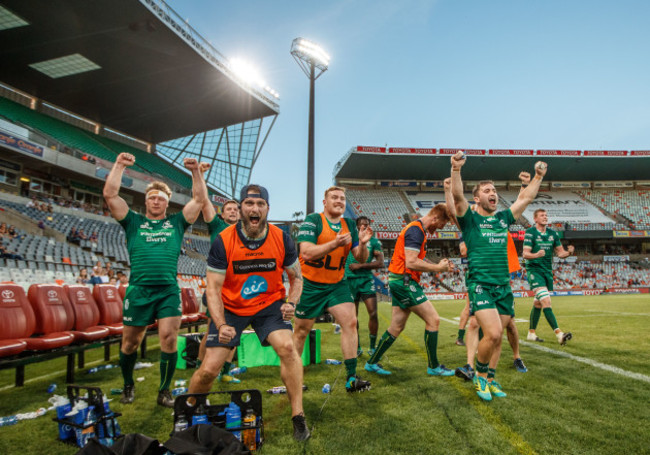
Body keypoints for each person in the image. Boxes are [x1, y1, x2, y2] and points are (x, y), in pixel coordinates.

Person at [188, 184, 310, 441]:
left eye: (260, 204)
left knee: (288, 349)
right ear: (241, 208)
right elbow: (212, 289)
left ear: (267, 209)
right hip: (232, 308)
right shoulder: (224, 240)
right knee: (209, 369)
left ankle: (298, 416)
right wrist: (221, 325)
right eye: (249, 204)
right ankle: (189, 414)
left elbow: (297, 278)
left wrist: (292, 303)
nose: (255, 209)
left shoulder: (282, 237)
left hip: (269, 306)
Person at [103, 152, 207, 407]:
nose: (156, 202)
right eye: (152, 198)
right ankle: (128, 384)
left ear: (167, 202)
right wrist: (118, 165)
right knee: (130, 343)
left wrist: (196, 172)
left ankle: (164, 392)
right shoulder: (133, 222)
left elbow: (200, 200)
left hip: (168, 290)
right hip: (139, 290)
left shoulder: (176, 223)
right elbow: (110, 195)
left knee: (169, 339)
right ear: (146, 201)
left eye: (161, 198)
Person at [450, 151, 547, 401]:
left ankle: (491, 379)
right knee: (491, 333)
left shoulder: (503, 219)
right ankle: (480, 378)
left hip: (503, 286)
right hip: (480, 285)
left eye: (494, 190)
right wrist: (456, 169)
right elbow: (457, 196)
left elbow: (525, 198)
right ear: (477, 197)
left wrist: (537, 176)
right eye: (486, 190)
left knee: (497, 338)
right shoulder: (469, 220)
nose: (492, 193)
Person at [293, 186, 374, 393]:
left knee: (351, 322)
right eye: (334, 197)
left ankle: (351, 378)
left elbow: (360, 257)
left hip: (337, 283)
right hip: (310, 284)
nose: (339, 201)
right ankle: (294, 378)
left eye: (342, 198)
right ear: (325, 202)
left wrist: (363, 244)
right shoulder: (313, 220)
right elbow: (307, 253)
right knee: (301, 331)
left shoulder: (349, 225)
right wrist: (334, 243)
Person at [364, 201, 455, 377]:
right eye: (442, 224)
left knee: (396, 326)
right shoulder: (416, 230)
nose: (441, 228)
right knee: (433, 320)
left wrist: (437, 265)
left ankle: (372, 362)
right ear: (435, 218)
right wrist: (438, 268)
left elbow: (414, 258)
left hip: (400, 280)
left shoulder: (418, 230)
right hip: (404, 281)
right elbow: (411, 262)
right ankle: (434, 366)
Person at [196, 174, 241, 383]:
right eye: (229, 209)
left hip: (239, 288)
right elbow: (204, 202)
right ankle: (199, 365)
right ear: (222, 214)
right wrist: (200, 175)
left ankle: (226, 372)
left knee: (235, 331)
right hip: (217, 287)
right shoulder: (216, 226)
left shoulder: (245, 233)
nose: (232, 211)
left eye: (235, 209)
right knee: (212, 329)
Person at [524, 208, 574, 345]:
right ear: (535, 219)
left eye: (546, 215)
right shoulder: (530, 233)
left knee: (538, 303)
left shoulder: (553, 234)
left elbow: (560, 253)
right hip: (534, 271)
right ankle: (559, 334)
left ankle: (531, 333)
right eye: (542, 215)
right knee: (546, 301)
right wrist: (536, 255)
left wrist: (568, 253)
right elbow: (525, 254)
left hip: (547, 271)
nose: (545, 217)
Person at [344, 216, 384, 357]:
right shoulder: (350, 240)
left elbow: (380, 263)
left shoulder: (374, 242)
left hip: (366, 280)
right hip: (349, 280)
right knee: (352, 317)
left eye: (366, 225)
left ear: (369, 226)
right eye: (361, 225)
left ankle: (372, 347)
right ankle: (357, 346)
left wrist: (360, 266)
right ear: (357, 226)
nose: (363, 227)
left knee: (373, 313)